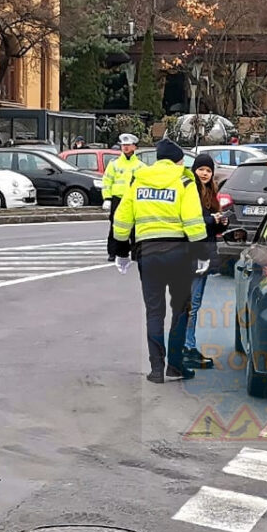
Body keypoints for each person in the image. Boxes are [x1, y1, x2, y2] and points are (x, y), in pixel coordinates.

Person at [109, 138, 207, 382]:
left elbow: (121, 220)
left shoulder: (139, 179)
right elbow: (193, 221)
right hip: (179, 253)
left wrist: (121, 251)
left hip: (148, 253)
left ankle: (155, 369)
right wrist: (203, 253)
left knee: (154, 312)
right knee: (180, 311)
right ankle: (175, 365)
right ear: (177, 161)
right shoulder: (185, 180)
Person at [181, 154, 233, 371]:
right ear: (194, 170)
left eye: (208, 170)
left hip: (203, 252)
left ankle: (188, 346)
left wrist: (221, 223)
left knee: (194, 304)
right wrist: (212, 220)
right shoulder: (189, 190)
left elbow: (211, 226)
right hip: (190, 254)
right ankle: (186, 348)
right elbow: (188, 220)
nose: (204, 173)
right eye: (201, 169)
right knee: (190, 305)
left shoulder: (211, 193)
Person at [102, 134, 145, 218]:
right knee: (114, 224)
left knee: (132, 226)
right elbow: (107, 181)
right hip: (117, 200)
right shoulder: (114, 164)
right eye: (123, 145)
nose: (125, 147)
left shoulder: (141, 166)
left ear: (134, 147)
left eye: (128, 145)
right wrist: (107, 198)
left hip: (133, 200)